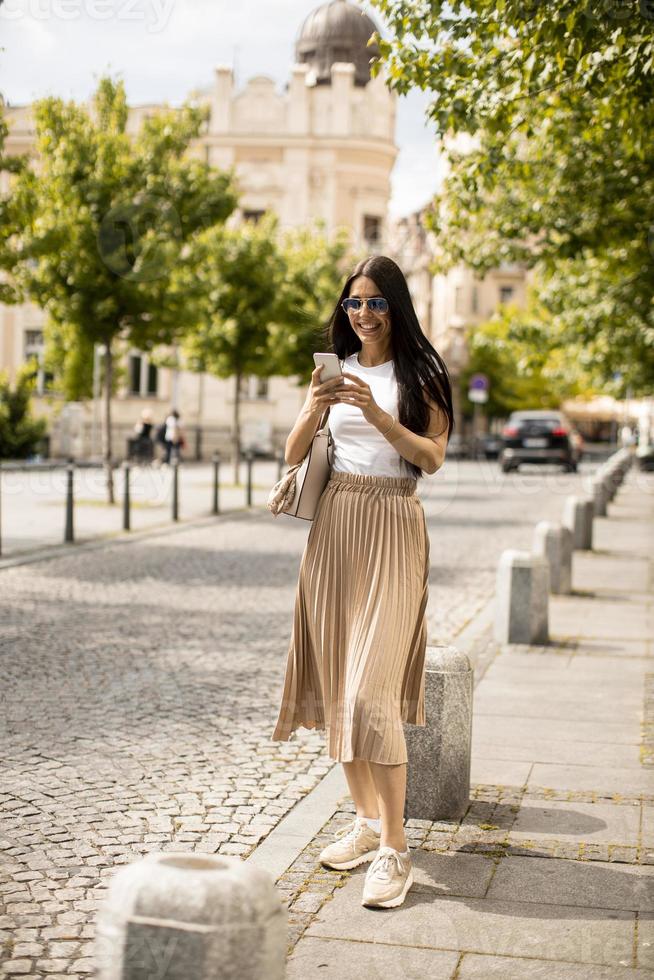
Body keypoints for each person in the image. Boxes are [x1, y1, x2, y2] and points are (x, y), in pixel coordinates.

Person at [271, 254, 454, 909]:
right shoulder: (334, 370)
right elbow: (294, 453)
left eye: (376, 302)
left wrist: (378, 416)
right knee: (337, 683)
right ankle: (366, 820)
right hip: (335, 526)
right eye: (355, 302)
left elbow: (431, 457)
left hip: (392, 521)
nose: (364, 314)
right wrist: (314, 406)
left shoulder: (420, 374)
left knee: (370, 694)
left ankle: (395, 850)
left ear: (397, 307)